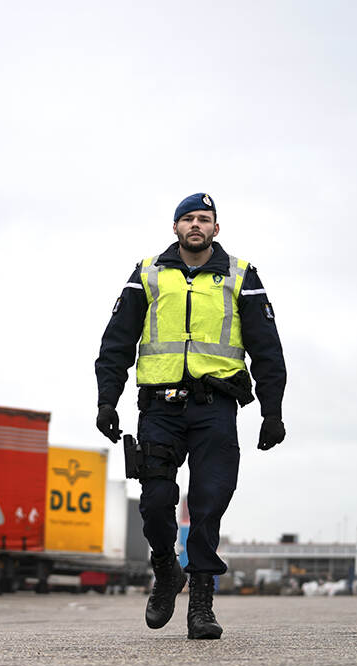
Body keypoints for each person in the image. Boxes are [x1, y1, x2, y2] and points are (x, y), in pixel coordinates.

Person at [94, 193, 287, 640]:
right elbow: (116, 343)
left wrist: (272, 412)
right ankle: (166, 570)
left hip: (214, 409)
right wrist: (107, 400)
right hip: (158, 407)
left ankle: (201, 605)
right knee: (156, 501)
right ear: (175, 227)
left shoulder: (241, 275)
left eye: (204, 219)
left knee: (207, 506)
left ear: (216, 229)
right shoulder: (147, 273)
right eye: (188, 219)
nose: (196, 225)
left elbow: (267, 348)